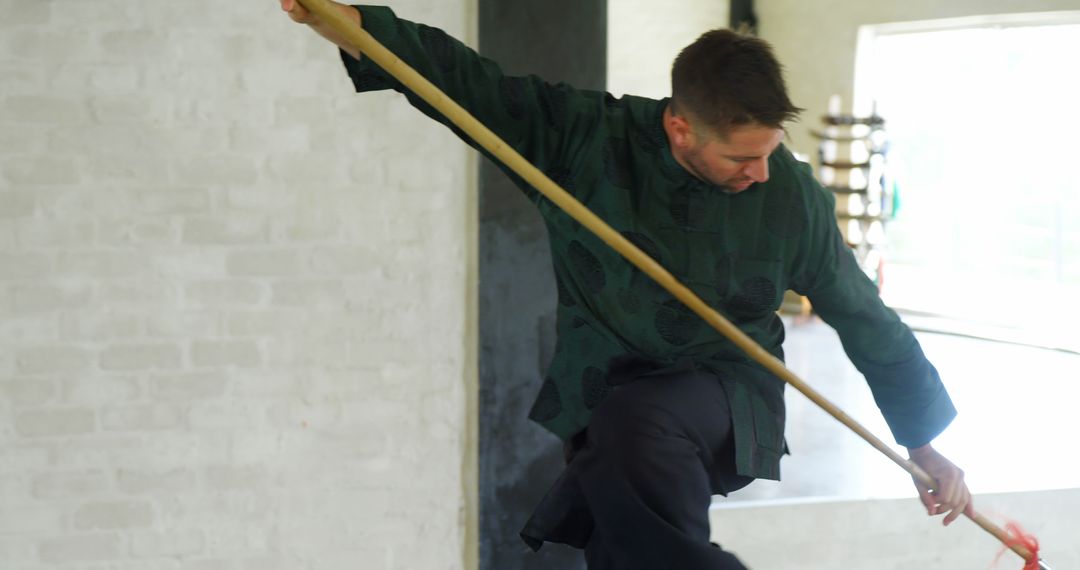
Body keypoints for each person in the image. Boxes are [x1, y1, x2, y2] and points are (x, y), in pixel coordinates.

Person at [280, 2, 975, 568]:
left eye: (769, 152)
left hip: (726, 389)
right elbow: (470, 86)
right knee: (621, 537)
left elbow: (865, 316)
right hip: (601, 385)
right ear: (680, 127)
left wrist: (923, 441)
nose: (760, 171)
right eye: (741, 156)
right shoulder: (587, 142)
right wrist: (354, 28)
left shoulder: (788, 195)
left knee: (634, 425)